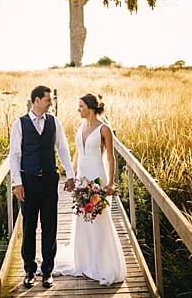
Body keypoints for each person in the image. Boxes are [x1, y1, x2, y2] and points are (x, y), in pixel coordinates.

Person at [9, 85, 76, 289]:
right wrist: (17, 183)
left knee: (50, 227)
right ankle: (29, 270)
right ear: (36, 100)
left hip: (49, 181)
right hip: (28, 182)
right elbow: (14, 156)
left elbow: (63, 149)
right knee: (29, 228)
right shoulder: (19, 124)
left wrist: (70, 175)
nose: (51, 103)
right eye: (48, 99)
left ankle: (47, 270)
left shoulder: (55, 122)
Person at [58, 93, 127, 285]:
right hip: (82, 178)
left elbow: (111, 157)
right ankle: (86, 263)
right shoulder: (80, 127)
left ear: (90, 107)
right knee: (82, 219)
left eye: (80, 106)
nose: (78, 109)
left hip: (97, 177)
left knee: (99, 220)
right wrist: (71, 176)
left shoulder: (104, 129)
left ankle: (102, 266)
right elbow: (77, 153)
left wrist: (111, 183)